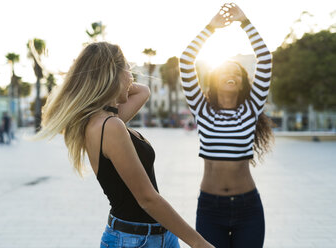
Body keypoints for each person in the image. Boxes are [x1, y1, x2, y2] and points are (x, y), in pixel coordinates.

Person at [32, 42, 214, 248]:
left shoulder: (103, 121)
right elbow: (147, 199)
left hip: (151, 236)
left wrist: (112, 80)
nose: (132, 77)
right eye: (128, 70)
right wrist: (200, 243)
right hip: (135, 241)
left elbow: (143, 91)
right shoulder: (109, 126)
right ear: (111, 75)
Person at [179, 3, 273, 248]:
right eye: (224, 70)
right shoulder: (202, 109)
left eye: (237, 72)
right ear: (214, 78)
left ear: (243, 82)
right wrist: (211, 27)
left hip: (248, 208)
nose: (231, 73)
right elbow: (186, 60)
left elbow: (264, 58)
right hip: (210, 208)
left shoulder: (250, 109)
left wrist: (245, 22)